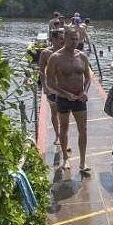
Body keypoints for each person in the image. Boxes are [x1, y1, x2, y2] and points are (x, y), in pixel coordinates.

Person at [45, 26, 92, 173]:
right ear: (64, 39)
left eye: (77, 39)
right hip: (64, 98)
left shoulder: (82, 56)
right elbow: (50, 82)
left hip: (79, 97)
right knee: (64, 128)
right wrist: (65, 94)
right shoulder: (55, 58)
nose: (74, 41)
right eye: (72, 39)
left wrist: (85, 91)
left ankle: (83, 162)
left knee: (83, 129)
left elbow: (88, 78)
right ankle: (65, 158)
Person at [38, 29, 65, 144]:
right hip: (52, 87)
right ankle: (57, 136)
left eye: (63, 39)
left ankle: (64, 136)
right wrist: (44, 86)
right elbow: (41, 71)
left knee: (64, 113)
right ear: (53, 39)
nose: (62, 41)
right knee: (54, 112)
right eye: (60, 39)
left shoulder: (66, 51)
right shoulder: (45, 53)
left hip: (64, 87)